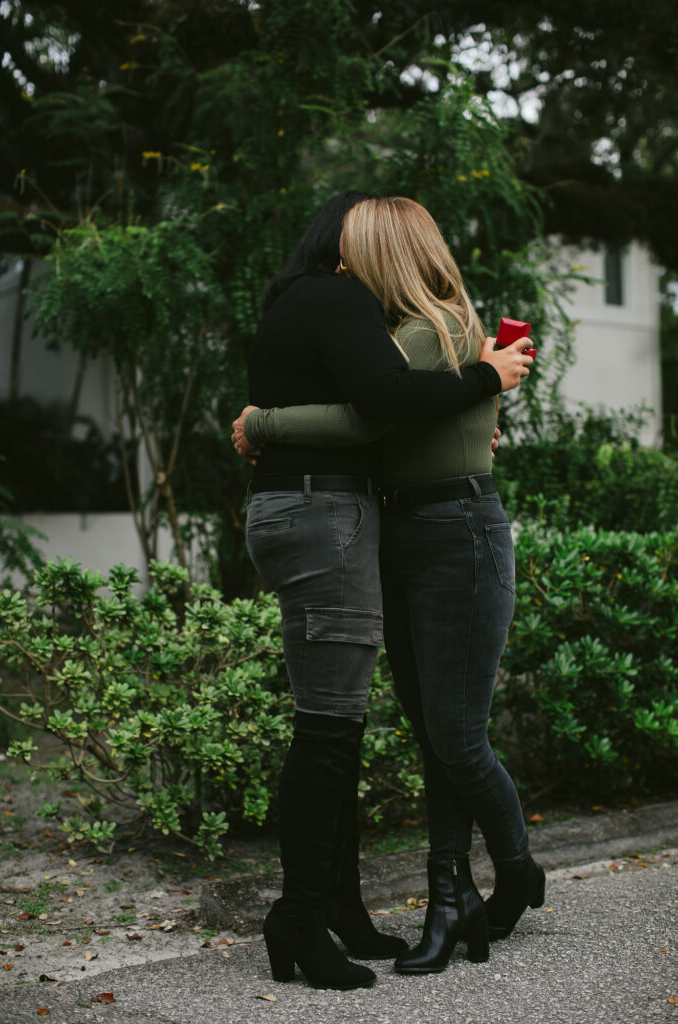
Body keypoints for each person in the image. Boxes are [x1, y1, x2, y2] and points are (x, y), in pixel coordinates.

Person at [233, 196, 544, 979]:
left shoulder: (422, 329)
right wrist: (479, 391)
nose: (354, 263)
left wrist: (262, 424)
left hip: (449, 529)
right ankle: (434, 898)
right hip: (396, 527)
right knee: (423, 729)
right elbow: (391, 409)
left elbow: (374, 413)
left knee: (450, 733)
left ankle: (508, 870)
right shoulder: (392, 326)